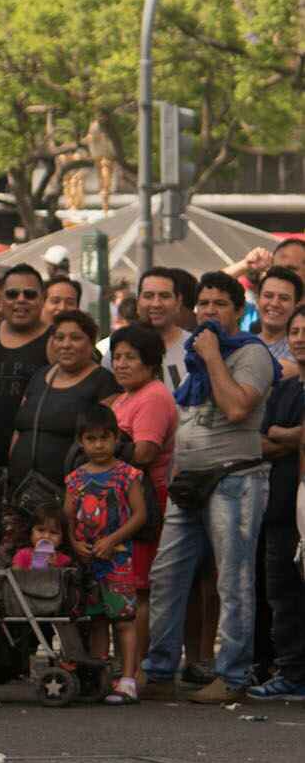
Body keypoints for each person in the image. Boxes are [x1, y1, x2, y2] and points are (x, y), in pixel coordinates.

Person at [142, 272, 278, 704]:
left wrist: (215, 355)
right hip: (191, 482)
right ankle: (160, 670)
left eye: (219, 304)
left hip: (235, 478)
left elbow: (237, 407)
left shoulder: (249, 354)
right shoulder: (198, 356)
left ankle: (233, 675)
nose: (209, 312)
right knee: (167, 576)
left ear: (239, 310)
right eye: (203, 304)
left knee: (232, 580)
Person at [66, 402, 149, 704]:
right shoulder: (75, 479)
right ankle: (100, 676)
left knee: (124, 618)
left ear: (116, 438)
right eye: (91, 439)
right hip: (88, 561)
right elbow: (69, 517)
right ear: (81, 442)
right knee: (97, 618)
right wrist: (75, 543)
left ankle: (127, 678)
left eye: (105, 438)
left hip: (118, 558)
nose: (98, 445)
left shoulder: (127, 475)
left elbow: (139, 515)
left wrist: (112, 539)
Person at [107, 323, 176, 676]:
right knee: (125, 587)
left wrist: (105, 454)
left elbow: (145, 452)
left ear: (150, 362)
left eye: (130, 357)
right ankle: (126, 667)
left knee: (139, 589)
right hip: (119, 503)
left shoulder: (152, 396)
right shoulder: (125, 396)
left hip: (145, 502)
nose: (121, 364)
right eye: (117, 356)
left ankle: (137, 670)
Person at [251, 308, 305, 702]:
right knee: (283, 593)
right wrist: (292, 435)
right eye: (296, 331)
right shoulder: (283, 388)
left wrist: (280, 435)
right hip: (281, 506)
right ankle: (291, 671)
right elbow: (261, 440)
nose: (301, 338)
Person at [0, 262, 52, 501]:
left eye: (30, 294)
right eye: (13, 294)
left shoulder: (57, 343)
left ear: (42, 298)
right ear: (1, 298)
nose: (21, 300)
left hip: (35, 471)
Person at [8, 311, 117, 492]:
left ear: (91, 343)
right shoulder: (40, 375)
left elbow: (105, 440)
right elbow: (19, 429)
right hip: (22, 488)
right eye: (59, 338)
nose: (66, 345)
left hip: (72, 492)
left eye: (75, 338)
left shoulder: (103, 382)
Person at [136, 266, 196, 390]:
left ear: (178, 301)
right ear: (138, 301)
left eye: (164, 296)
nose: (156, 304)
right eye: (148, 296)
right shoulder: (118, 351)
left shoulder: (196, 348)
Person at [257, 266, 301, 367]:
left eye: (284, 298)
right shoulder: (243, 342)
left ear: (296, 306)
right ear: (257, 300)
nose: (274, 303)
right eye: (268, 296)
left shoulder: (300, 348)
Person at [12, 506, 72, 571]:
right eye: (41, 530)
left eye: (53, 532)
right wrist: (32, 568)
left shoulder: (65, 560)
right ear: (31, 533)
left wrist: (53, 568)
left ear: (62, 539)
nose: (46, 536)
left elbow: (64, 580)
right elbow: (14, 578)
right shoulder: (22, 555)